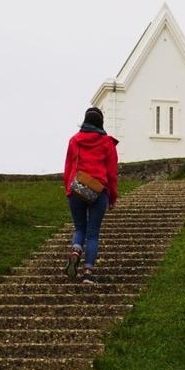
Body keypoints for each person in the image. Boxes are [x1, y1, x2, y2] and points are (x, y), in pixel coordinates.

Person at [63, 106, 118, 287]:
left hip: (76, 188)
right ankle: (88, 274)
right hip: (98, 190)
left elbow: (67, 169)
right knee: (93, 233)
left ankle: (76, 251)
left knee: (80, 228)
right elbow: (112, 173)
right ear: (101, 122)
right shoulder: (107, 143)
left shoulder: (74, 140)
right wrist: (112, 197)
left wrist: (69, 190)